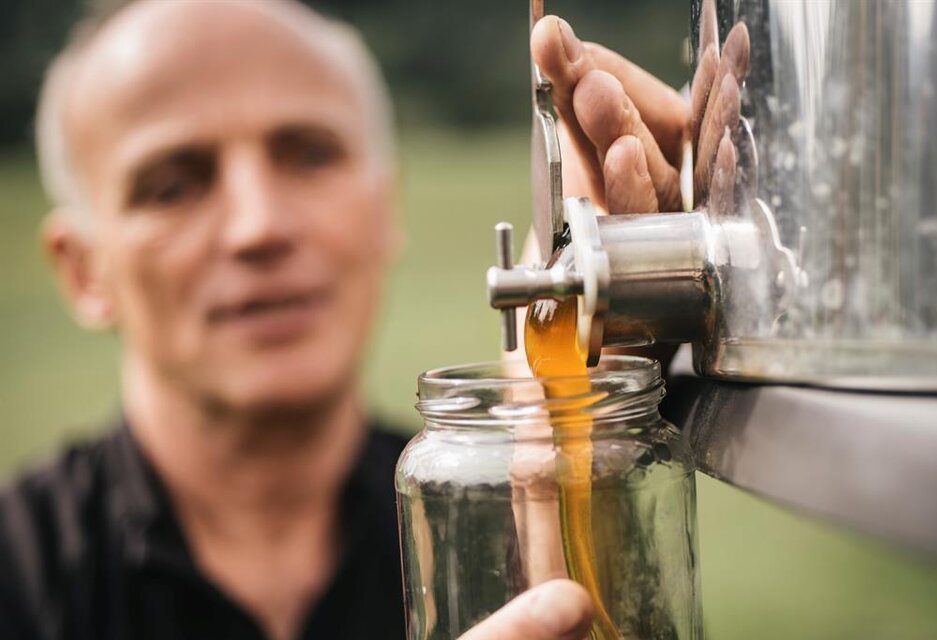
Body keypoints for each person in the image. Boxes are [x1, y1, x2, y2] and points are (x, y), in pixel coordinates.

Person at [0, 0, 740, 638]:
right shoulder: (21, 577)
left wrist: (590, 476)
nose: (258, 226)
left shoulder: (480, 506)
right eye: (171, 186)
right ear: (83, 269)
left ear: (386, 208)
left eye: (309, 156)